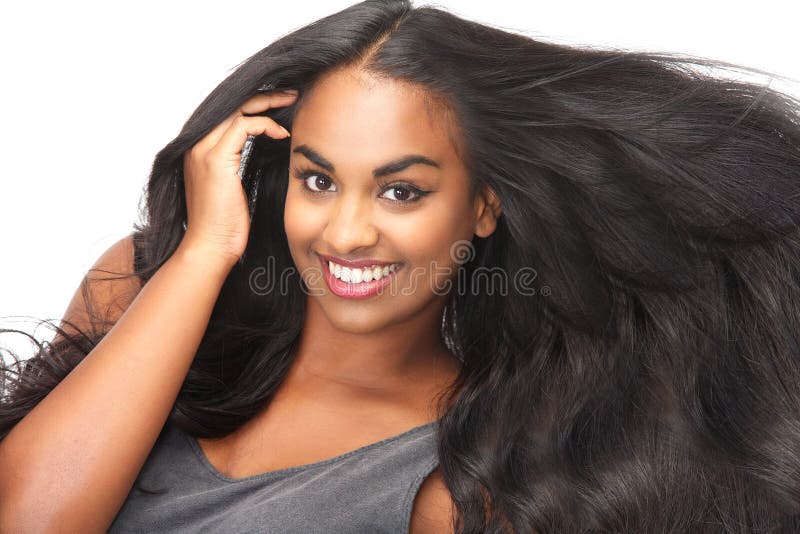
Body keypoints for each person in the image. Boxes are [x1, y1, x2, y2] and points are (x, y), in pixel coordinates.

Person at [2, 0, 800, 532]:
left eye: (402, 190)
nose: (347, 233)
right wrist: (203, 252)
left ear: (482, 205)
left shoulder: (456, 487)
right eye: (318, 179)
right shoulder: (139, 293)